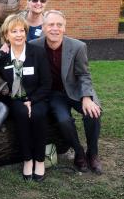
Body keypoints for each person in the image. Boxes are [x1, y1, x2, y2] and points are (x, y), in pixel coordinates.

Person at [29, 10, 103, 174]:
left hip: (76, 90)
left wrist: (86, 97)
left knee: (93, 113)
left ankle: (93, 153)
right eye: (50, 25)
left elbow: (84, 74)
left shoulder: (78, 46)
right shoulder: (34, 46)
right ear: (43, 27)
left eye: (59, 25)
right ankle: (79, 152)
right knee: (63, 120)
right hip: (55, 94)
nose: (55, 28)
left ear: (64, 27)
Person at [0, 14, 52, 182]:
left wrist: (31, 101)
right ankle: (27, 159)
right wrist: (22, 102)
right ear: (6, 35)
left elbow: (46, 83)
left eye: (22, 31)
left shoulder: (37, 53)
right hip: (14, 99)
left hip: (37, 96)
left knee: (38, 115)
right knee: (21, 115)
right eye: (14, 31)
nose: (19, 35)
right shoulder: (2, 57)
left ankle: (40, 160)